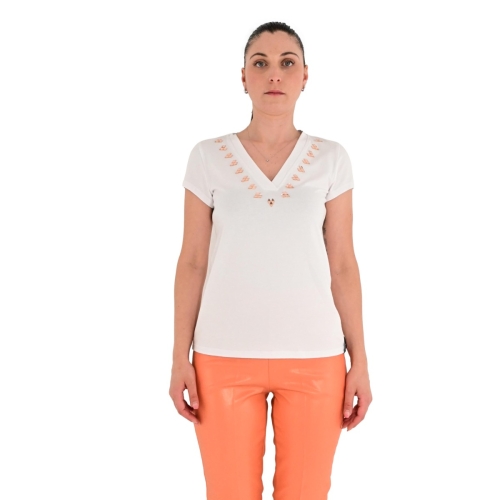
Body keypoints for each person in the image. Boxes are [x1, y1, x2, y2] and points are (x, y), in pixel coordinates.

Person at [170, 21, 372, 500]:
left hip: (316, 359)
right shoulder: (207, 157)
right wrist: (179, 356)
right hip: (221, 357)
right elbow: (193, 260)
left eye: (287, 63)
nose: (274, 74)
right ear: (244, 77)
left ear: (305, 76)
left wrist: (360, 360)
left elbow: (343, 264)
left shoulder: (331, 158)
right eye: (260, 63)